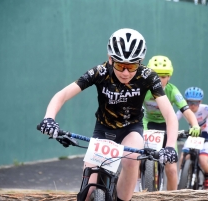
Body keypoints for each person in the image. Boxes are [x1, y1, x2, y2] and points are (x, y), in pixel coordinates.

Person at [38, 28, 179, 201]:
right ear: (110, 58)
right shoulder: (100, 72)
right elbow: (63, 95)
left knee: (132, 158)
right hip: (103, 130)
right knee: (87, 192)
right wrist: (49, 119)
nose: (125, 72)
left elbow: (169, 115)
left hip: (131, 129)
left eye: (132, 66)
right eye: (120, 65)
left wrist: (170, 146)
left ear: (141, 61)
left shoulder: (148, 76)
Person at [141, 55, 200, 191]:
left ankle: (172, 197)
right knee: (135, 161)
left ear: (169, 77)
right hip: (147, 123)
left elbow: (186, 110)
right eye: (155, 76)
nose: (159, 80)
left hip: (167, 126)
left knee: (172, 169)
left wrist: (195, 124)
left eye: (163, 76)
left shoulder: (172, 90)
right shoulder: (143, 89)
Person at [176, 86, 208, 190]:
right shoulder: (184, 109)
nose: (192, 105)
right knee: (182, 158)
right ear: (186, 101)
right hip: (192, 136)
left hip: (205, 137)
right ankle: (181, 180)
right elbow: (174, 120)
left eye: (196, 103)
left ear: (200, 101)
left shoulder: (205, 108)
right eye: (190, 102)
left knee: (203, 161)